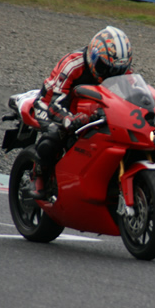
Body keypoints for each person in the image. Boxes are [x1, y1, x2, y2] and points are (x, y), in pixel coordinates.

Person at [25, 26, 133, 201]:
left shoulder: (120, 69)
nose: (111, 74)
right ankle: (38, 178)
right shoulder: (73, 64)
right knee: (55, 133)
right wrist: (69, 119)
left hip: (86, 109)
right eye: (105, 67)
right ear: (93, 56)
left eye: (117, 70)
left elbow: (131, 93)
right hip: (50, 104)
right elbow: (55, 104)